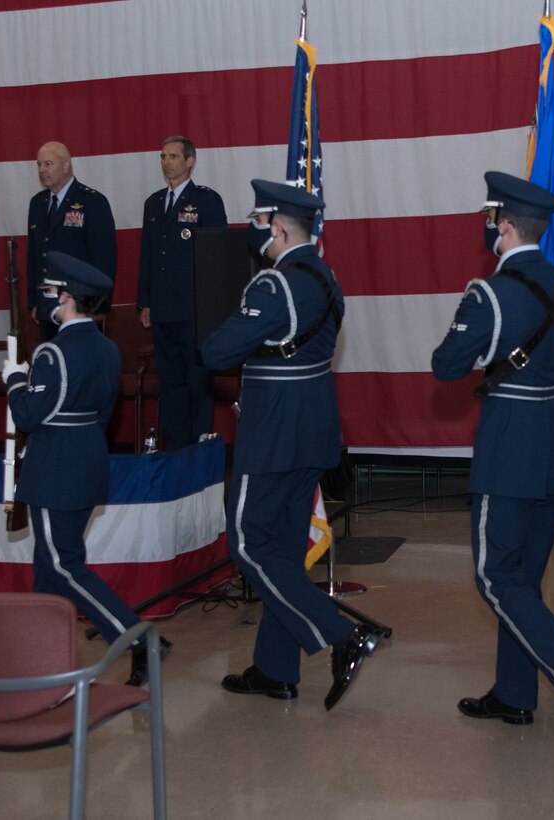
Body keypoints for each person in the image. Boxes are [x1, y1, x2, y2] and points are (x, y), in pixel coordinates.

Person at [431, 172, 554, 751]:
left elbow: (445, 365)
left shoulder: (489, 292)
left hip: (510, 443)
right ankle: (515, 695)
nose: (490, 227)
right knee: (524, 580)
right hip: (552, 440)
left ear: (506, 226)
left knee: (495, 575)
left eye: (493, 219)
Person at [203, 179, 383, 711]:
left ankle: (338, 633)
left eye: (260, 224)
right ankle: (274, 669)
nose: (255, 233)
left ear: (277, 228)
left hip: (273, 431)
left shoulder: (274, 286)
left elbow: (217, 351)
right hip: (315, 427)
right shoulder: (327, 278)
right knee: (282, 547)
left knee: (248, 543)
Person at [3, 252, 169, 686]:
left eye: (51, 294)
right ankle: (40, 651)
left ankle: (139, 638)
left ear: (67, 298)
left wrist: (15, 380)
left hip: (55, 468)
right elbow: (101, 413)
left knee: (63, 566)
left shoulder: (53, 354)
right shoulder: (109, 349)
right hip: (88, 460)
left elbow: (27, 416)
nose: (47, 302)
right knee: (48, 565)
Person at [137, 136, 227, 448]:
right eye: (163, 157)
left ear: (190, 161)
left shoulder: (206, 201)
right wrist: (145, 301)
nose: (166, 162)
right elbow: (148, 256)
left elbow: (216, 259)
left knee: (198, 382)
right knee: (171, 383)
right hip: (163, 309)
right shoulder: (153, 203)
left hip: (194, 310)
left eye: (173, 156)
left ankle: (199, 446)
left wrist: (211, 307)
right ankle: (175, 446)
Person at [26, 141, 116, 342]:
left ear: (66, 165)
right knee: (52, 364)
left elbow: (104, 258)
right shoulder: (37, 204)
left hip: (80, 308)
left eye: (48, 164)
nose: (42, 170)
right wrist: (35, 301)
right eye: (39, 164)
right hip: (48, 305)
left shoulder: (91, 202)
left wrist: (96, 306)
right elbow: (35, 257)